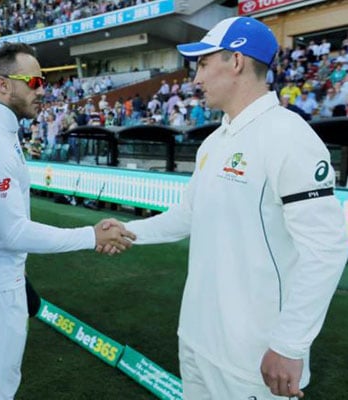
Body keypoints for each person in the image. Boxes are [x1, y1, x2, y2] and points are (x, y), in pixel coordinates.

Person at [115, 17, 348, 399]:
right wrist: (128, 230)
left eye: (203, 64)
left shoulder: (289, 135)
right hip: (196, 341)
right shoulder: (215, 141)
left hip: (252, 360)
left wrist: (290, 345)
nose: (195, 79)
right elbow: (188, 216)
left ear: (236, 61)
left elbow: (326, 250)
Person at [0, 42, 135, 400]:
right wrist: (90, 235)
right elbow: (14, 232)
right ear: (3, 85)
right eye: (33, 81)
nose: (42, 90)